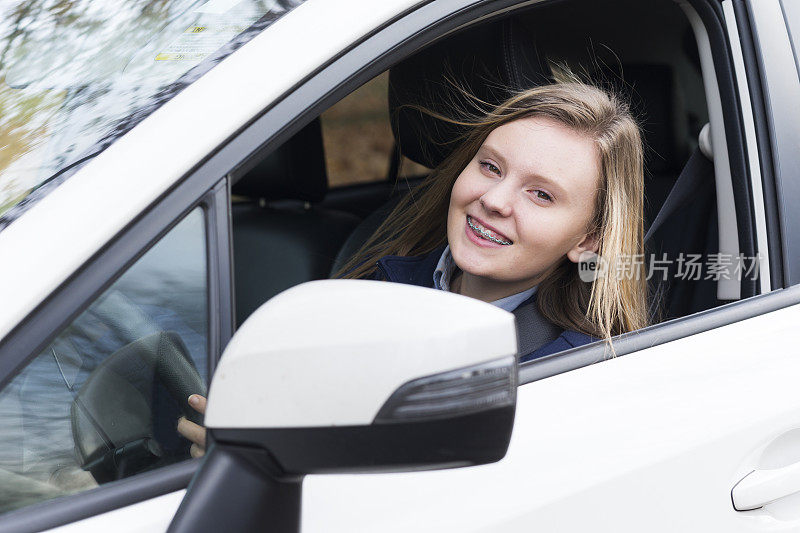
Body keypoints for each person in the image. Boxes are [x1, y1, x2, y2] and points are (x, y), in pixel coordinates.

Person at [179, 80, 649, 458]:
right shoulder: (377, 279)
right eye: (490, 166)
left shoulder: (571, 378)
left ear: (588, 240)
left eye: (541, 194)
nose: (494, 200)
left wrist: (269, 456)